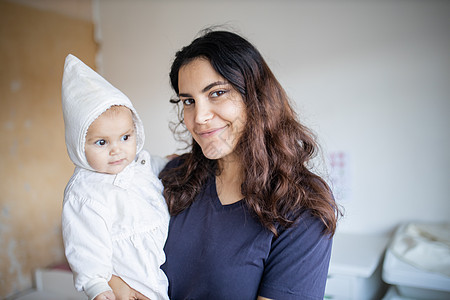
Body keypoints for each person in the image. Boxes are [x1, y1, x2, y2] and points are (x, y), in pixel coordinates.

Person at [110, 29, 341, 300]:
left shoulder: (301, 207)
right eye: (188, 101)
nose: (199, 117)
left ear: (256, 96)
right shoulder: (172, 177)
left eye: (217, 93)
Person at [61, 54, 170, 300]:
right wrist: (97, 287)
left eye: (125, 137)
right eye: (102, 142)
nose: (116, 150)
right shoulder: (85, 193)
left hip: (156, 270)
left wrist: (172, 160)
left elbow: (153, 165)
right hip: (127, 274)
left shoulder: (137, 163)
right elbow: (84, 245)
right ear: (79, 145)